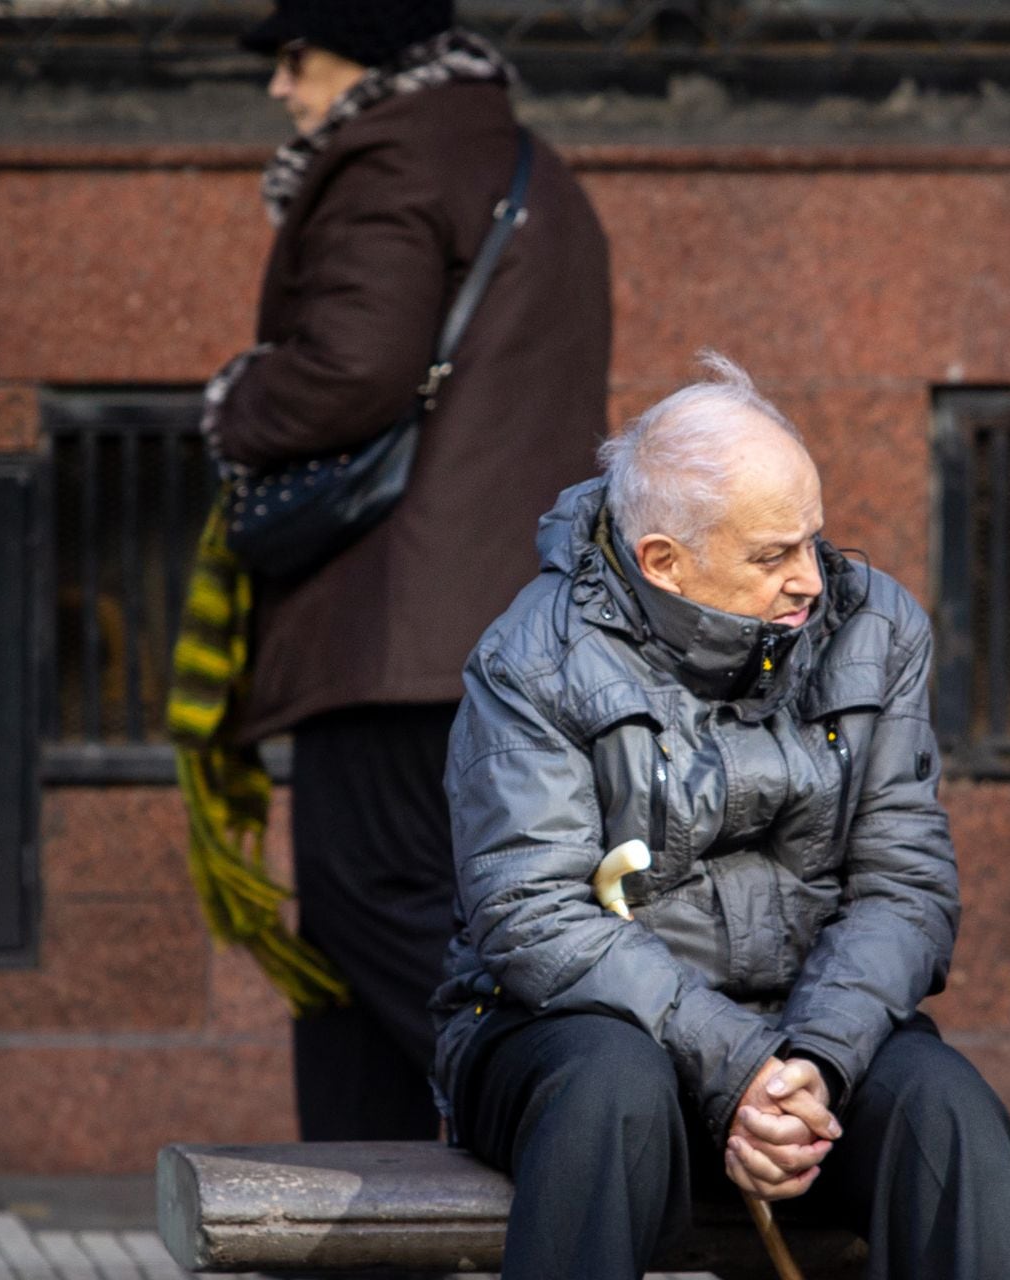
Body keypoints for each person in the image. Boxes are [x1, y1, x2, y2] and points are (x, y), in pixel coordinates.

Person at [431, 354, 1010, 1280]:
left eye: (813, 539)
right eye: (771, 556)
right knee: (612, 1094)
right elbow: (530, 916)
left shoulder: (876, 627)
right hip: (569, 1031)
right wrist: (740, 1066)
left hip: (812, 1034)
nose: (810, 579)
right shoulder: (531, 657)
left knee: (945, 1109)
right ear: (664, 563)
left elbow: (905, 884)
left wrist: (813, 1067)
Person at [205, 0, 611, 1141]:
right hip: (510, 624)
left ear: (368, 51)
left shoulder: (389, 159)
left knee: (374, 901)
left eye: (295, 56)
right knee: (357, 944)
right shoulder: (536, 170)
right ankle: (353, 1235)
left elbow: (352, 371)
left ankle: (577, 1105)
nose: (281, 88)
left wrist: (233, 400)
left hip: (396, 634)